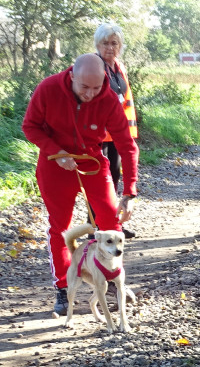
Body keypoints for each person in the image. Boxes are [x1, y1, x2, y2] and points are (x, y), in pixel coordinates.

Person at [22, 53, 139, 317]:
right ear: (72, 76)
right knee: (61, 227)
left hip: (92, 162)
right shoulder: (48, 88)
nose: (90, 94)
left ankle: (111, 281)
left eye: (96, 88)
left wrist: (130, 191)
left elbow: (127, 145)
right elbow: (30, 126)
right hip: (55, 163)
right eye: (84, 87)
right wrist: (57, 152)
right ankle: (64, 287)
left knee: (110, 219)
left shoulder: (107, 98)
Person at [93, 22, 138, 238]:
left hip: (119, 133)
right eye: (105, 43)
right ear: (97, 45)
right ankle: (95, 226)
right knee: (99, 179)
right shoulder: (94, 66)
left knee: (115, 176)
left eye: (114, 43)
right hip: (99, 134)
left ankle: (112, 223)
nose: (110, 48)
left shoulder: (119, 67)